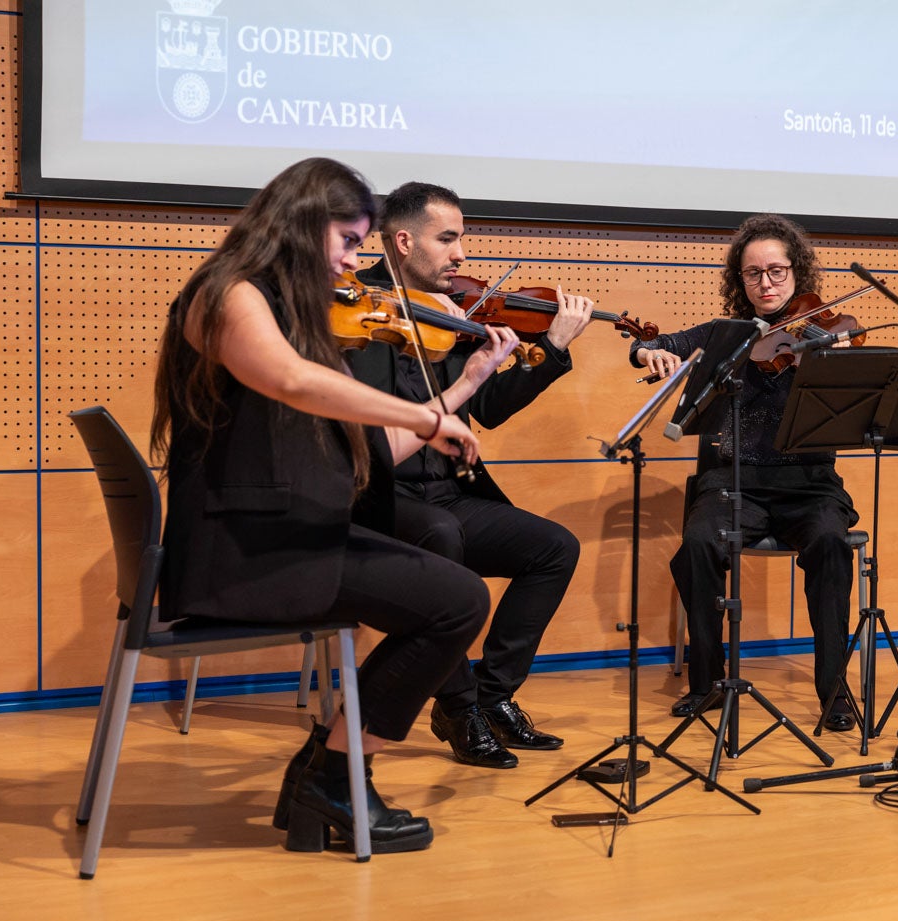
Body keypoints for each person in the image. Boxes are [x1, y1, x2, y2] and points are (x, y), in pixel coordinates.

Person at [150, 157, 520, 853]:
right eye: (349, 241)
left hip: (277, 533)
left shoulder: (288, 309)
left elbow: (365, 447)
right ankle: (334, 774)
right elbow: (293, 381)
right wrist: (427, 421)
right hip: (245, 551)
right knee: (457, 602)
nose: (355, 262)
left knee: (446, 580)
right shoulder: (227, 294)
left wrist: (455, 397)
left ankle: (329, 772)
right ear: (302, 223)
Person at [345, 182, 588, 769]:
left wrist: (550, 348)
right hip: (378, 497)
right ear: (403, 241)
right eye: (447, 239)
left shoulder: (449, 310)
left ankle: (492, 693)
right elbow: (363, 429)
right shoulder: (354, 309)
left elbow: (492, 407)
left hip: (448, 491)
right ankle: (455, 705)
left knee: (554, 548)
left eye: (462, 239)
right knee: (441, 537)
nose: (460, 254)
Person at [630, 213, 860, 731]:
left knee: (830, 543)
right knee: (697, 545)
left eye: (777, 271)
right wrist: (649, 351)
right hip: (732, 483)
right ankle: (708, 682)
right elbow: (646, 345)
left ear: (797, 274)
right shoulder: (722, 337)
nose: (766, 283)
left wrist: (835, 367)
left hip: (810, 487)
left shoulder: (824, 334)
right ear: (741, 282)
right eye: (753, 273)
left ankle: (835, 690)